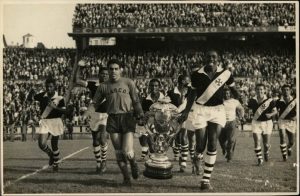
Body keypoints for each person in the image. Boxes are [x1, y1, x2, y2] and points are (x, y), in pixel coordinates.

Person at [178, 49, 239, 190]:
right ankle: (197, 156)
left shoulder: (226, 74)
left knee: (212, 143)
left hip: (217, 110)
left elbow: (234, 90)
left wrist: (240, 98)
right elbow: (192, 94)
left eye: (214, 57)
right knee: (200, 144)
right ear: (204, 58)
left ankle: (205, 180)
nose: (211, 59)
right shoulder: (196, 74)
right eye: (208, 57)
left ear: (218, 59)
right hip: (201, 110)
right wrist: (186, 112)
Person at [85, 59, 144, 186]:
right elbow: (95, 103)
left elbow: (136, 101)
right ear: (108, 70)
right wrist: (88, 112)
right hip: (112, 119)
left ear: (121, 70)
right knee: (118, 153)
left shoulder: (128, 82)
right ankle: (126, 179)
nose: (113, 71)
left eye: (116, 68)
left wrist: (140, 113)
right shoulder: (103, 86)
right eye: (111, 69)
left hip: (127, 117)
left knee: (127, 151)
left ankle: (133, 163)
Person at [75, 61, 109, 173]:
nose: (104, 76)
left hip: (105, 115)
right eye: (102, 74)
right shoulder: (93, 84)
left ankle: (104, 161)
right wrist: (80, 68)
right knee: (95, 141)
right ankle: (98, 163)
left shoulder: (112, 86)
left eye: (106, 74)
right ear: (99, 75)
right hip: (94, 115)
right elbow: (78, 80)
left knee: (102, 138)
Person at [28, 77, 68, 172]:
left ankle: (56, 164)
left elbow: (65, 111)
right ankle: (51, 155)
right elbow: (30, 98)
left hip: (56, 122)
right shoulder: (42, 96)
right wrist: (32, 90)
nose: (49, 88)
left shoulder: (60, 98)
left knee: (54, 144)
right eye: (47, 86)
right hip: (45, 122)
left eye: (51, 86)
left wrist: (55, 107)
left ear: (54, 87)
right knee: (41, 144)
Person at [167, 74, 193, 172]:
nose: (189, 83)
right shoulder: (171, 92)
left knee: (184, 137)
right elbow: (167, 105)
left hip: (186, 117)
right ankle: (179, 154)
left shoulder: (191, 92)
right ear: (182, 81)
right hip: (174, 119)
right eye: (187, 80)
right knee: (177, 139)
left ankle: (183, 162)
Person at [247, 84, 277, 166]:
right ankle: (260, 159)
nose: (259, 91)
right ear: (255, 91)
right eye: (257, 89)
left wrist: (270, 115)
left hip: (267, 123)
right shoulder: (252, 100)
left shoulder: (270, 100)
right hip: (256, 122)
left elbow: (275, 111)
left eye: (261, 89)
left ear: (264, 90)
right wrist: (248, 114)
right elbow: (249, 110)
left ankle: (266, 151)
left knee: (266, 144)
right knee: (257, 141)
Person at [139, 78, 165, 161]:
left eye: (156, 86)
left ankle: (153, 154)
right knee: (143, 139)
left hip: (161, 124)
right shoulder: (146, 99)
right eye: (152, 86)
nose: (154, 87)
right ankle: (149, 153)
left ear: (159, 87)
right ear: (149, 87)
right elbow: (143, 112)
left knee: (155, 143)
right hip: (148, 123)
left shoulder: (165, 98)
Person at [219, 88, 244, 162]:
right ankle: (224, 148)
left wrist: (241, 117)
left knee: (231, 140)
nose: (226, 95)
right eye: (225, 93)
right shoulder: (219, 101)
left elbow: (241, 109)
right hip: (221, 122)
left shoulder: (234, 101)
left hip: (232, 122)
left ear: (230, 94)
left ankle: (229, 156)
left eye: (228, 93)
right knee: (221, 140)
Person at [276, 84, 296, 161]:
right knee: (282, 136)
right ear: (282, 91)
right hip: (282, 121)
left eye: (287, 90)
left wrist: (296, 117)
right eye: (284, 90)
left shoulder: (295, 100)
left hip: (291, 122)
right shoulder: (278, 101)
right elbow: (275, 110)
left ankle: (289, 147)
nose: (286, 91)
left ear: (290, 91)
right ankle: (284, 155)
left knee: (291, 141)